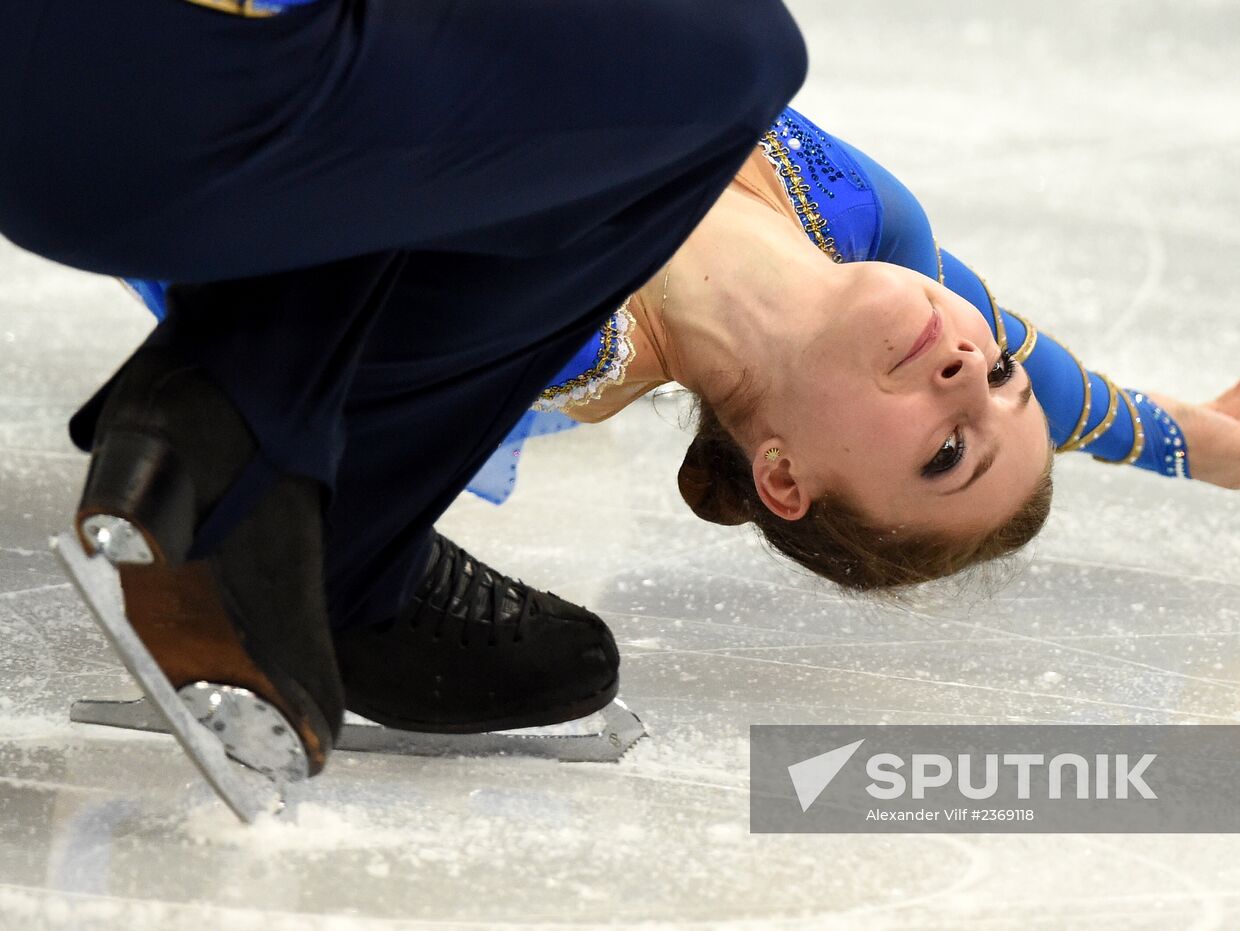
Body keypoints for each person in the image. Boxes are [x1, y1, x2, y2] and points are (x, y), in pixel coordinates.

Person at [114, 104, 1240, 738]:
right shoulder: (868, 228)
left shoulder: (547, 348)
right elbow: (1047, 384)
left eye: (943, 450)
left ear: (784, 478)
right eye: (993, 373)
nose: (969, 372)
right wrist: (1179, 436)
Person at [0, 0, 808, 786]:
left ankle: (260, 432)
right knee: (738, 55)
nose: (943, 369)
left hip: (102, 81)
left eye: (937, 449)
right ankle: (299, 492)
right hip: (145, 87)